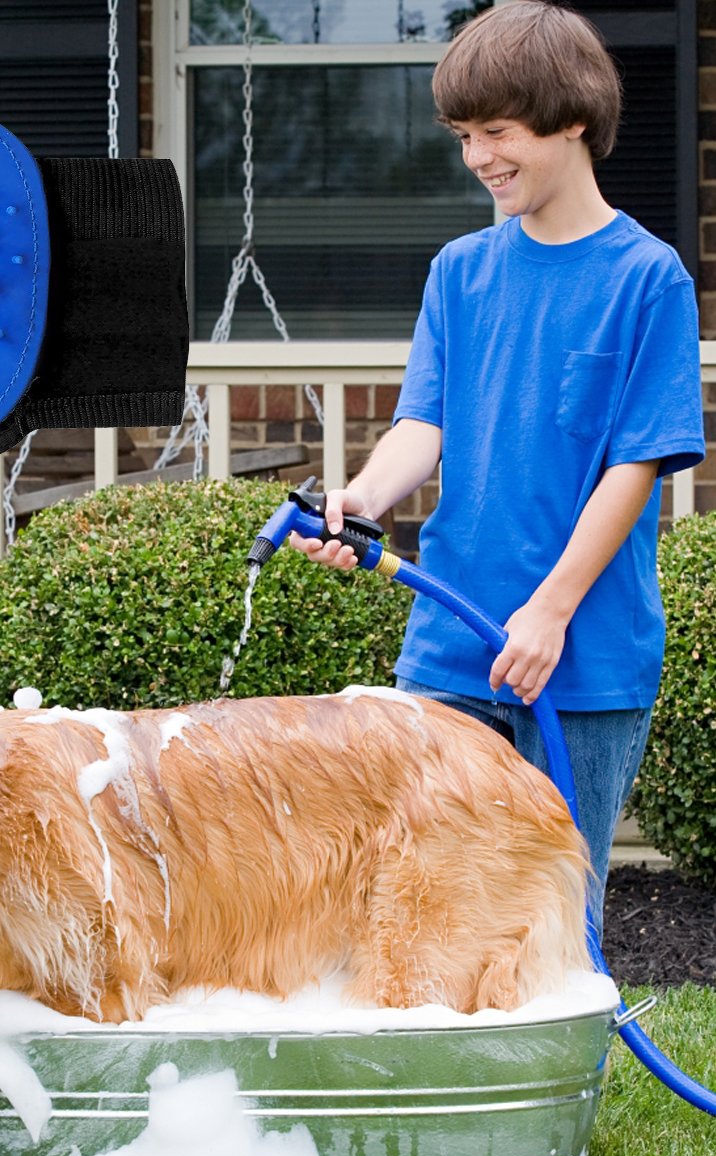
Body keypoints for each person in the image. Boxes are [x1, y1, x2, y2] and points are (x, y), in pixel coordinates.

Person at [291, 0, 705, 940]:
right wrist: (360, 496)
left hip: (583, 656)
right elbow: (424, 423)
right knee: (426, 894)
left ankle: (561, 1086)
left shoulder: (647, 280)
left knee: (552, 907)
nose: (478, 157)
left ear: (572, 121)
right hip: (452, 641)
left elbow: (634, 468)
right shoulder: (460, 272)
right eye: (464, 136)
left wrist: (552, 609)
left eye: (498, 132)